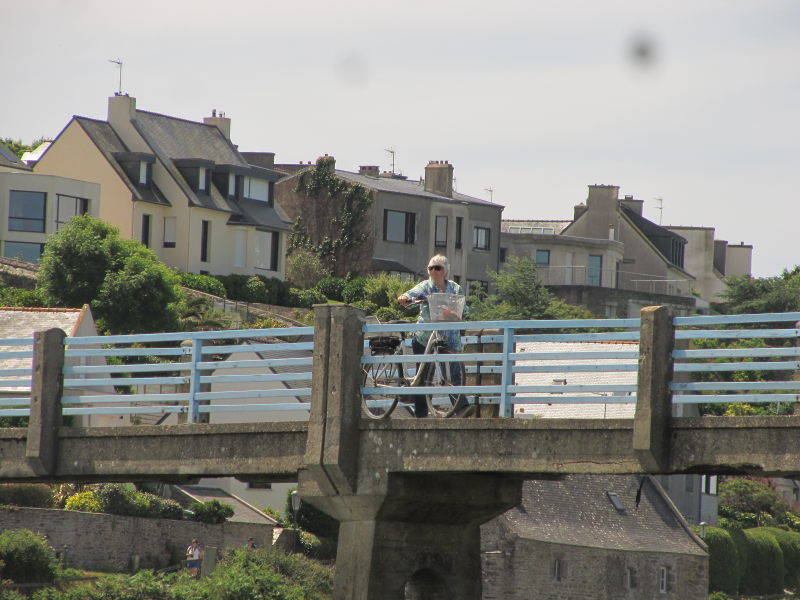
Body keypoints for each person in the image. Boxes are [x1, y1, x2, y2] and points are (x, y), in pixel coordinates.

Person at [397, 254, 474, 418]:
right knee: (424, 376)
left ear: (445, 271)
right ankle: (421, 415)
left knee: (453, 373)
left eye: (437, 267)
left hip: (449, 337)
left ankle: (461, 408)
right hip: (425, 336)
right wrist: (405, 297)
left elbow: (464, 310)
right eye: (430, 268)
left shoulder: (455, 288)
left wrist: (454, 312)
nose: (433, 271)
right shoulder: (425, 286)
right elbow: (411, 294)